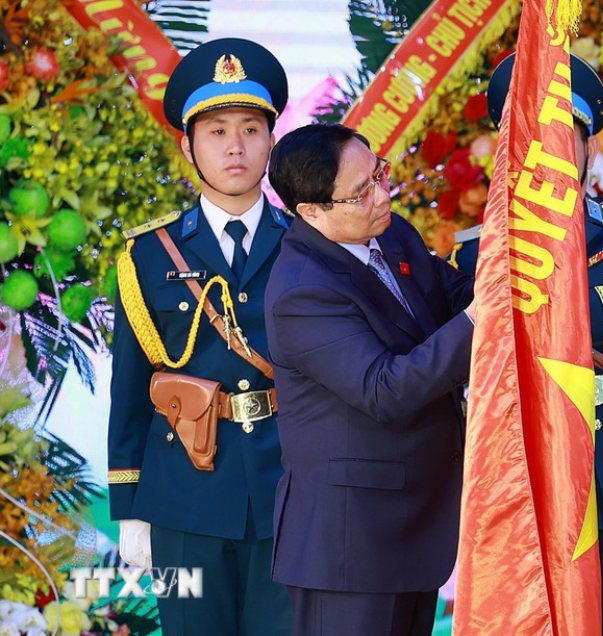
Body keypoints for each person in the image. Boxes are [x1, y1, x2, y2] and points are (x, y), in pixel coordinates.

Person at [450, 53, 603, 636]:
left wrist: (551, 307)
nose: (554, 154)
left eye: (569, 138)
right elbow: (475, 345)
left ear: (589, 151)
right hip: (526, 475)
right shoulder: (477, 251)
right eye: (536, 139)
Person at [106, 38, 293, 635]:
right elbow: (132, 388)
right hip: (182, 497)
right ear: (188, 146)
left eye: (249, 128)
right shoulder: (147, 255)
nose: (234, 146)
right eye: (215, 131)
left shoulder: (311, 245)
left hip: (291, 494)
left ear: (271, 140)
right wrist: (129, 509)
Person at [263, 122, 475, 636]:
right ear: (311, 211)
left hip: (411, 525)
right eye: (361, 192)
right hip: (350, 542)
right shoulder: (301, 291)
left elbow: (449, 297)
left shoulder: (391, 231)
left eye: (379, 173)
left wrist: (507, 271)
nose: (382, 195)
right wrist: (484, 318)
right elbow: (386, 389)